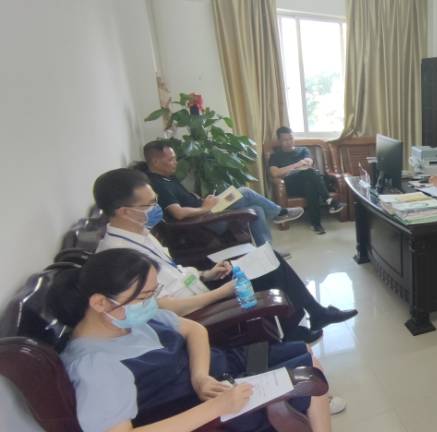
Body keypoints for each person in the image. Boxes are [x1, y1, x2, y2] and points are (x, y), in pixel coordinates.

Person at [48, 248, 333, 432]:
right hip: (204, 411)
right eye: (145, 296)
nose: (152, 303)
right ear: (100, 302)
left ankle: (314, 409)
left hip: (216, 377)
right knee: (309, 378)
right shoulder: (96, 366)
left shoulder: (126, 318)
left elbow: (194, 330)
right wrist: (216, 407)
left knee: (306, 356)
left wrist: (200, 378)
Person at [93, 168, 358, 343]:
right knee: (270, 267)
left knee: (270, 258)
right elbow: (162, 308)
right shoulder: (120, 257)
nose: (157, 208)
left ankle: (308, 318)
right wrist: (221, 292)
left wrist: (207, 274)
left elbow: (172, 273)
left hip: (199, 286)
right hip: (195, 308)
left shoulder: (139, 231)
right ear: (124, 211)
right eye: (150, 204)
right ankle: (301, 325)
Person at [141, 139, 304, 247]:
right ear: (155, 162)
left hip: (207, 211)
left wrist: (202, 199)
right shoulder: (158, 184)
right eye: (171, 159)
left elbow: (184, 199)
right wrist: (205, 208)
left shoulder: (167, 177)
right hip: (204, 221)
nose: (175, 162)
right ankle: (280, 213)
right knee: (245, 192)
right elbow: (178, 213)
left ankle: (268, 253)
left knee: (257, 209)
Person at [268, 126, 346, 234]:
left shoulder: (303, 150)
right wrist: (296, 165)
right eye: (285, 140)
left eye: (291, 138)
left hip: (308, 180)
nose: (289, 142)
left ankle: (316, 224)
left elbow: (309, 163)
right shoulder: (275, 156)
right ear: (279, 141)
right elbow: (274, 173)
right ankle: (329, 201)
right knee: (311, 175)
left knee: (310, 183)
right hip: (291, 186)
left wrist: (291, 169)